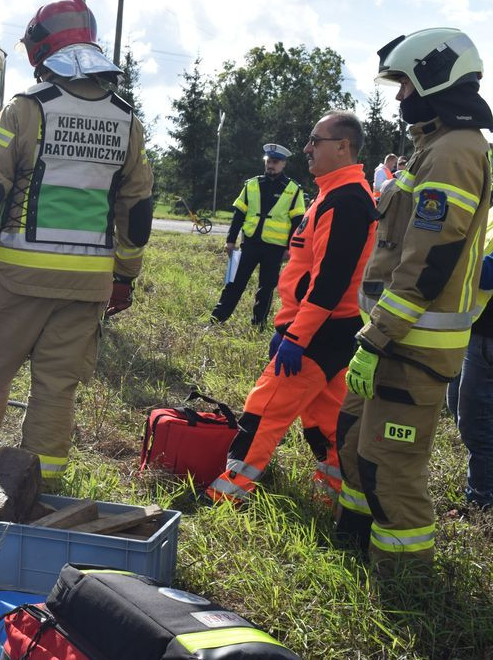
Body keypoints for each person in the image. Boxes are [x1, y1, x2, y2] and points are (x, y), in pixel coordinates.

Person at [0, 0, 153, 489]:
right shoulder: (128, 120)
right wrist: (125, 275)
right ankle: (38, 492)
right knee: (56, 390)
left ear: (41, 48)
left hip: (19, 278)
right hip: (89, 285)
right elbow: (137, 208)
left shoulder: (26, 110)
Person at [336, 28, 493, 571]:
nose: (400, 96)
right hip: (389, 336)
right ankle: (353, 541)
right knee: (355, 441)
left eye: (404, 83)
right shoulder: (434, 144)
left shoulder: (454, 152)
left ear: (434, 76)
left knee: (390, 466)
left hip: (411, 344)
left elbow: (427, 264)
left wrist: (375, 339)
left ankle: (405, 585)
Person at [205, 111, 377, 504]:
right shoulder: (336, 192)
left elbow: (329, 283)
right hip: (331, 331)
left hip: (315, 332)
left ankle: (226, 497)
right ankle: (337, 498)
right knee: (325, 423)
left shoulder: (346, 199)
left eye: (315, 140)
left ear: (342, 146)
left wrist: (296, 338)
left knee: (263, 411)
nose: (306, 148)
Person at [210, 144, 306, 327]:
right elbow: (239, 214)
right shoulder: (252, 184)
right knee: (234, 284)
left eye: (275, 162)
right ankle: (216, 320)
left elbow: (297, 222)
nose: (271, 165)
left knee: (266, 289)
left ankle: (258, 324)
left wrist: (290, 248)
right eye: (268, 161)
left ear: (283, 164)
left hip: (275, 248)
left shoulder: (293, 189)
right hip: (250, 243)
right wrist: (230, 241)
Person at [447, 295, 493, 511]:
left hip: (486, 337)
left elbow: (484, 273)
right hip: (472, 328)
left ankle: (482, 500)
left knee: (478, 425)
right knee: (457, 406)